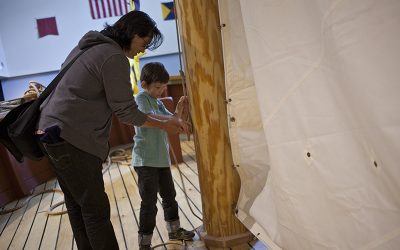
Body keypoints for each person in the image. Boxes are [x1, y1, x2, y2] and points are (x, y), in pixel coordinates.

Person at [37, 11, 185, 250]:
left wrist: (166, 120)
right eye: (144, 43)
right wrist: (165, 124)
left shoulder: (87, 47)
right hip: (72, 137)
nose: (142, 51)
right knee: (95, 210)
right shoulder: (113, 57)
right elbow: (128, 112)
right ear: (133, 34)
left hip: (50, 133)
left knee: (77, 205)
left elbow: (129, 109)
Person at [132, 62, 195, 250]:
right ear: (144, 84)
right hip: (145, 161)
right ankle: (144, 242)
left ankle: (174, 230)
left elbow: (172, 120)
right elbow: (147, 118)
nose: (161, 90)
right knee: (149, 203)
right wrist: (174, 119)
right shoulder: (141, 99)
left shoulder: (158, 102)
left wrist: (179, 109)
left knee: (169, 196)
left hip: (161, 160)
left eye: (163, 87)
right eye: (158, 87)